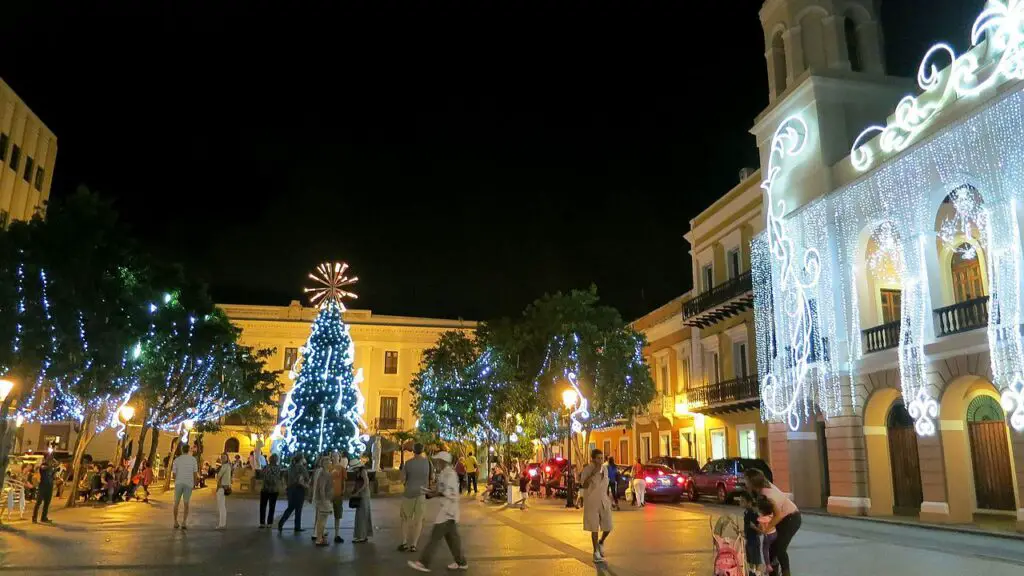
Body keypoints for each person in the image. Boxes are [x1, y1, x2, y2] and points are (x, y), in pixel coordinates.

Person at [408, 451, 468, 572]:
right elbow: (440, 490)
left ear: (443, 462)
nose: (436, 463)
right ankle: (461, 562)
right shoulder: (444, 473)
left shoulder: (450, 474)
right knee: (452, 538)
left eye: (438, 461)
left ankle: (424, 563)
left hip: (448, 511)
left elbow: (447, 492)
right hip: (448, 510)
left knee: (435, 538)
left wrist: (432, 494)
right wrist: (429, 492)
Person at [745, 469, 800, 576]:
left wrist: (766, 528)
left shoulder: (768, 495)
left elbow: (778, 515)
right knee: (772, 548)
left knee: (779, 548)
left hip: (791, 518)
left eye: (746, 479)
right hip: (782, 517)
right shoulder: (761, 489)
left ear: (753, 482)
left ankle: (786, 573)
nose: (744, 481)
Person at [580, 449, 613, 564]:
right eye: (598, 458)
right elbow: (583, 485)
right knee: (594, 528)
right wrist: (592, 474)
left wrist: (610, 499)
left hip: (604, 501)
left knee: (608, 526)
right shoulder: (587, 469)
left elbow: (606, 485)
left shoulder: (605, 469)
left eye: (601, 458)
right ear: (593, 459)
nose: (600, 460)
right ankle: (596, 553)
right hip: (592, 502)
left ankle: (601, 541)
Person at [398, 443, 430, 552]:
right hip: (421, 493)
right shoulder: (427, 462)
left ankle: (404, 542)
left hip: (409, 493)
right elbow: (433, 477)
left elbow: (402, 479)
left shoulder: (408, 463)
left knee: (405, 519)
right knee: (419, 520)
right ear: (423, 450)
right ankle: (414, 545)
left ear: (413, 450)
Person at [278, 453, 309, 532]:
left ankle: (281, 522)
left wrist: (286, 485)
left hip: (291, 489)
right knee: (298, 509)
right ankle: (297, 526)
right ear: (301, 459)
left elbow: (284, 476)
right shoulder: (301, 467)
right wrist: (306, 486)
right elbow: (304, 478)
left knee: (290, 507)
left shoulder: (291, 467)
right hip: (299, 489)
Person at [171, 443, 200, 529]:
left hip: (179, 483)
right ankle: (184, 522)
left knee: (176, 503)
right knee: (186, 503)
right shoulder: (193, 460)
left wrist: (177, 480)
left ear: (181, 450)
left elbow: (174, 474)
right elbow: (195, 473)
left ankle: (175, 522)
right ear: (189, 450)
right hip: (189, 483)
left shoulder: (177, 460)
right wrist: (195, 483)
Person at [737, 491, 764, 575]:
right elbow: (748, 526)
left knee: (757, 561)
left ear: (749, 502)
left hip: (754, 541)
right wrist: (743, 532)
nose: (740, 503)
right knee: (751, 560)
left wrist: (754, 527)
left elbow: (761, 531)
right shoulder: (746, 513)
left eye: (742, 501)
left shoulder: (754, 513)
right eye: (740, 500)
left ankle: (758, 573)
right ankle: (752, 573)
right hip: (748, 540)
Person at [312, 455, 334, 546]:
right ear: (325, 463)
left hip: (324, 499)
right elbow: (322, 488)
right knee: (322, 521)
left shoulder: (324, 473)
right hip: (323, 500)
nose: (330, 463)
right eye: (329, 462)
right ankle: (319, 538)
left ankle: (320, 538)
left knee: (322, 520)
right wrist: (324, 500)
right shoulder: (325, 474)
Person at [351, 457, 373, 543]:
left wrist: (358, 491)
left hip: (364, 495)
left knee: (363, 515)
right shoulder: (358, 472)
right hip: (361, 494)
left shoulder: (363, 471)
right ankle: (361, 535)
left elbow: (366, 483)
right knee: (360, 515)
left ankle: (362, 536)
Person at [259, 454, 283, 528]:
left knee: (263, 506)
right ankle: (270, 523)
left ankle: (262, 523)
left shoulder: (266, 467)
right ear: (276, 460)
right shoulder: (279, 468)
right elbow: (279, 477)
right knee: (272, 507)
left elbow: (261, 475)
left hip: (265, 489)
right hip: (274, 490)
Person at [757, 496, 779, 574]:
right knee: (773, 547)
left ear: (761, 510)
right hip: (775, 533)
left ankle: (768, 565)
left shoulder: (761, 519)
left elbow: (763, 530)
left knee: (765, 550)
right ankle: (775, 559)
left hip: (768, 536)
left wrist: (757, 528)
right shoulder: (771, 515)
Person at [32, 453, 55, 524]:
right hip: (42, 486)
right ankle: (34, 518)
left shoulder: (51, 467)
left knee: (47, 503)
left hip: (49, 486)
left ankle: (44, 517)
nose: (50, 459)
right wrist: (51, 465)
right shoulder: (44, 465)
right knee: (38, 502)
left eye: (51, 458)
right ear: (46, 459)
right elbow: (42, 468)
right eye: (49, 458)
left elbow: (52, 476)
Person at [329, 451, 346, 543]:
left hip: (338, 494)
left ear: (339, 457)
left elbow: (344, 481)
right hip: (329, 494)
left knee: (338, 515)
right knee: (324, 513)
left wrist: (343, 491)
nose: (335, 458)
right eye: (334, 456)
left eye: (337, 456)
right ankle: (321, 532)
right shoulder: (329, 468)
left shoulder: (342, 468)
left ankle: (337, 534)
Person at [215, 452, 232, 529]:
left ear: (227, 458)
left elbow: (218, 476)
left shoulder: (224, 466)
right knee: (222, 506)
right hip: (224, 487)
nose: (222, 459)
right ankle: (222, 523)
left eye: (224, 457)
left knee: (221, 506)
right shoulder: (228, 466)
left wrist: (217, 475)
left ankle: (222, 524)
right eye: (222, 457)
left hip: (221, 487)